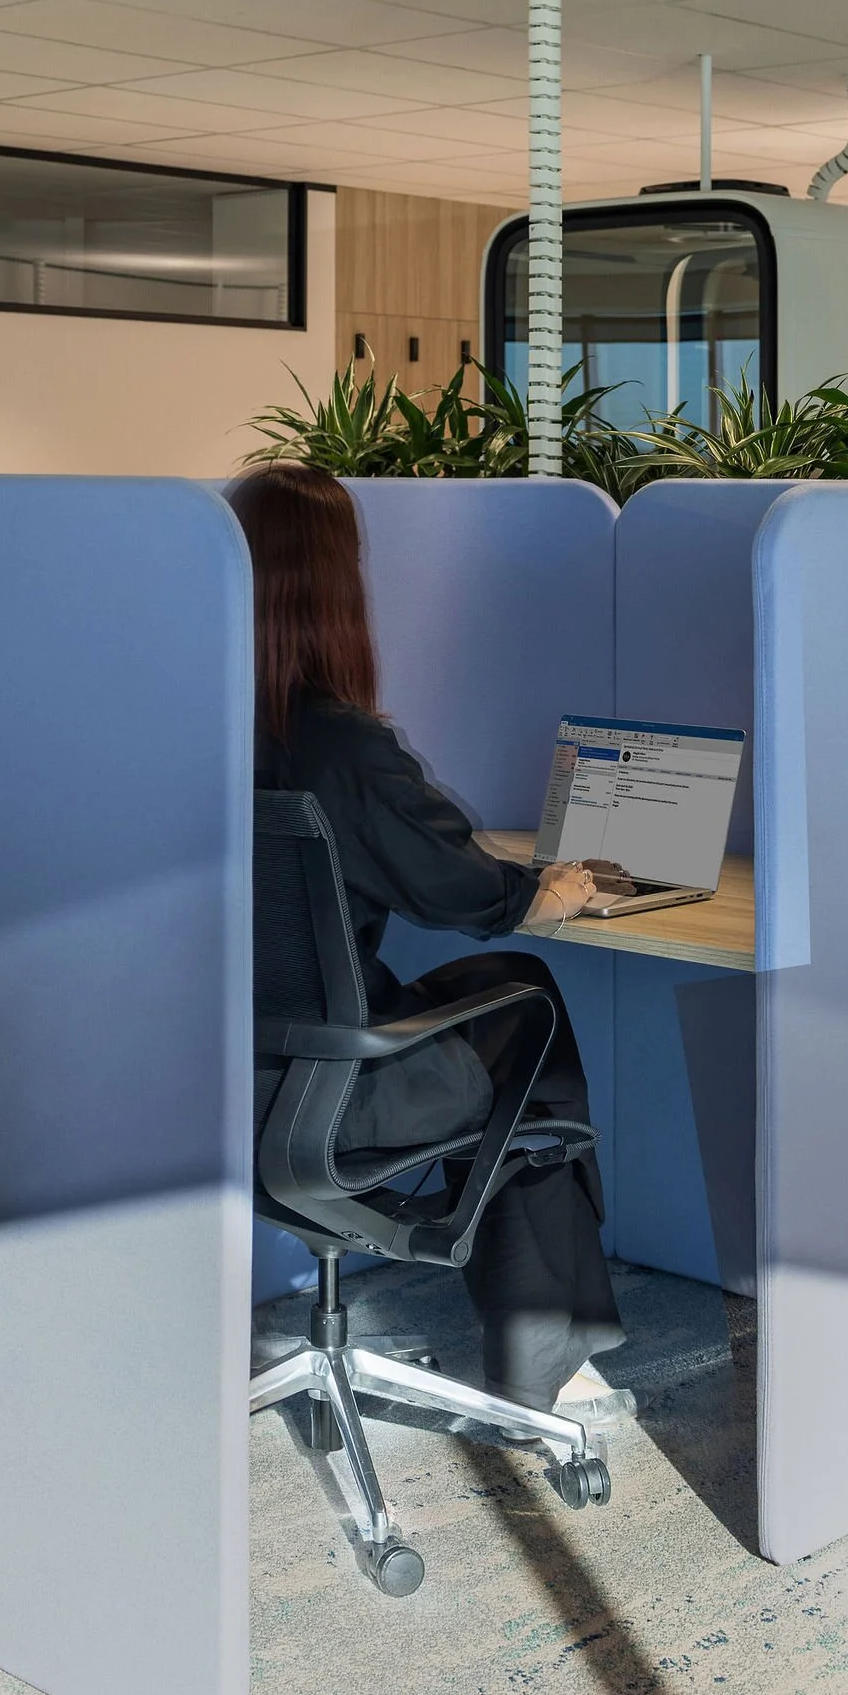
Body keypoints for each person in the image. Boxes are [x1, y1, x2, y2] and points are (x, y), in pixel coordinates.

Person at [233, 462, 624, 1414]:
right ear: (333, 590)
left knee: (502, 981)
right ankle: (545, 1362)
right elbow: (456, 885)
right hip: (334, 1094)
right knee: (529, 1015)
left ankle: (546, 1337)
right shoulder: (340, 745)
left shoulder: (189, 727)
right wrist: (544, 891)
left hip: (214, 1082)